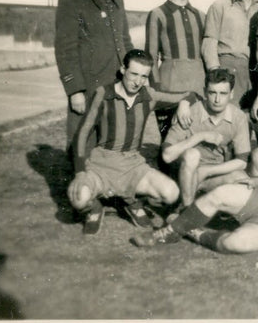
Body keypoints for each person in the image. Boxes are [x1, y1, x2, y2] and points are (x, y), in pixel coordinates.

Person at [67, 49, 194, 234]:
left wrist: (185, 103)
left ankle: (130, 201)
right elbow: (82, 134)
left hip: (132, 165)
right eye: (134, 74)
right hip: (101, 165)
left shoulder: (149, 95)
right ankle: (95, 207)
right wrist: (79, 172)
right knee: (79, 198)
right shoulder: (103, 94)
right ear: (122, 69)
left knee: (171, 193)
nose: (138, 81)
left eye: (144, 76)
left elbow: (190, 94)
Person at [54, 0, 133, 156]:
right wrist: (74, 91)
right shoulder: (71, 0)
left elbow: (125, 42)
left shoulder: (117, 0)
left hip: (115, 87)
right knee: (82, 146)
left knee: (112, 145)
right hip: (87, 89)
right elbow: (65, 49)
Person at [162, 68, 252, 206]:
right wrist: (200, 137)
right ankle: (185, 211)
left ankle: (214, 209)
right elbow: (167, 156)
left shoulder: (238, 117)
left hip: (212, 174)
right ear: (205, 92)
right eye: (212, 93)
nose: (217, 99)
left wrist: (206, 171)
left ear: (232, 94)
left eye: (223, 93)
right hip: (184, 175)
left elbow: (242, 162)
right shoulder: (190, 111)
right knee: (192, 155)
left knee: (243, 180)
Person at [145, 0, 206, 135]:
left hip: (197, 88)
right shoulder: (158, 14)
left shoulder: (201, 16)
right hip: (169, 87)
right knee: (170, 142)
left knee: (196, 142)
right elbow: (150, 56)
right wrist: (156, 90)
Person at [201, 0, 258, 107]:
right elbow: (209, 44)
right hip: (225, 70)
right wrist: (217, 76)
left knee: (247, 122)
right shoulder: (220, 6)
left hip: (251, 74)